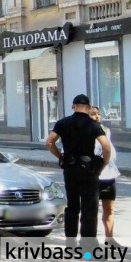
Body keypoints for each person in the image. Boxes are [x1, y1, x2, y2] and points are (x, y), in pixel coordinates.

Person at [46, 94, 111, 245]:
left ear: (72, 106)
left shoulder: (62, 123)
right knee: (89, 208)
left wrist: (60, 156)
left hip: (70, 168)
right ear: (88, 108)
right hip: (89, 170)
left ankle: (70, 242)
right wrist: (103, 163)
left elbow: (49, 142)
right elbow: (106, 146)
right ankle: (88, 246)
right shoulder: (93, 124)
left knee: (72, 206)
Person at [89, 106, 120, 243]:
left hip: (109, 175)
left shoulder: (106, 131)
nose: (96, 116)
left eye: (98, 114)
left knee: (109, 209)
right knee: (91, 210)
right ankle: (91, 240)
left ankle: (110, 238)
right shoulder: (84, 132)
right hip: (94, 176)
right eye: (92, 114)